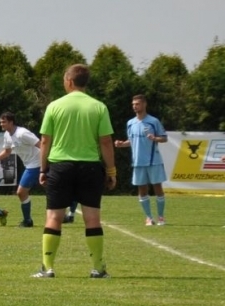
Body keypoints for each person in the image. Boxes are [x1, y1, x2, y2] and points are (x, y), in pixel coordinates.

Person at [35, 63, 116, 278]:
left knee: (54, 217)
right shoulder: (99, 107)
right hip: (90, 167)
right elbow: (106, 142)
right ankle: (98, 269)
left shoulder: (54, 106)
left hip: (60, 167)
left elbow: (44, 140)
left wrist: (43, 169)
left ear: (69, 81)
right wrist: (111, 171)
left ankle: (47, 268)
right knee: (92, 219)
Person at [114, 94, 168, 226]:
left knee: (157, 188)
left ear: (144, 104)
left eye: (137, 104)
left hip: (153, 160)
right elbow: (131, 141)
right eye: (133, 104)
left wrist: (155, 138)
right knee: (142, 189)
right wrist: (122, 144)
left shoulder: (153, 121)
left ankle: (161, 217)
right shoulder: (130, 123)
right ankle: (149, 218)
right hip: (138, 162)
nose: (134, 106)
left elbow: (164, 138)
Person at [0, 112, 40, 227]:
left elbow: (41, 144)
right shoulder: (7, 134)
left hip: (37, 163)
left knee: (21, 192)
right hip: (29, 165)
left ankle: (27, 221)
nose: (1, 124)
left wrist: (49, 161)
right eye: (1, 122)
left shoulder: (22, 133)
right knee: (56, 187)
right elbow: (7, 152)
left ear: (11, 122)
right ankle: (70, 209)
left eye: (4, 122)